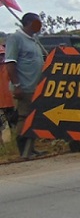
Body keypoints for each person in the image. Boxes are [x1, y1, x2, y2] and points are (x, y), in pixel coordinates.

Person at [4, 12, 46, 158]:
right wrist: (17, 85)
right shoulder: (15, 38)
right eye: (37, 23)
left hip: (36, 86)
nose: (40, 26)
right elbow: (10, 63)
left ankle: (31, 148)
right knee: (24, 117)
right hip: (24, 87)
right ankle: (24, 151)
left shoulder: (34, 40)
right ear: (28, 23)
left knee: (33, 118)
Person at [0, 45, 15, 145]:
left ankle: (12, 144)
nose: (1, 58)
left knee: (14, 124)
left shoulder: (9, 68)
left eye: (2, 55)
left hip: (11, 102)